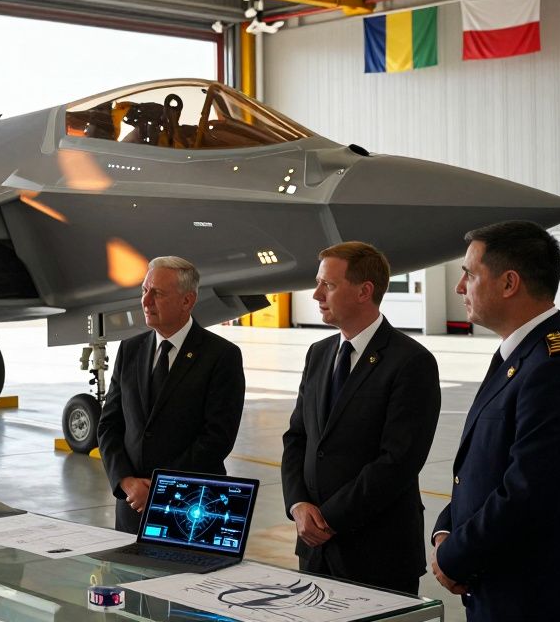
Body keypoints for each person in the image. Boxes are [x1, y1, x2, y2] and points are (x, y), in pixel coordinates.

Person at [431, 221, 560, 621]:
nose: (459, 288)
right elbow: (484, 469)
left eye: (469, 274)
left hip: (542, 601)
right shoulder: (519, 357)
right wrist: (448, 529)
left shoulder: (555, 368)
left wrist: (455, 555)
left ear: (509, 283)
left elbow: (527, 494)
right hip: (501, 591)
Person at [281, 242, 440, 594]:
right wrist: (298, 505)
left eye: (329, 285)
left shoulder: (411, 362)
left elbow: (399, 460)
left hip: (377, 553)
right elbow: (298, 438)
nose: (317, 295)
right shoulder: (319, 354)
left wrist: (328, 519)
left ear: (364, 291)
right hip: (314, 549)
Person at [97, 256, 246, 533]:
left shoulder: (221, 356)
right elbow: (109, 425)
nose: (146, 301)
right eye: (144, 291)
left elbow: (217, 438)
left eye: (158, 294)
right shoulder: (130, 350)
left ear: (187, 301)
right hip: (132, 506)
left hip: (190, 509)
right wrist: (126, 481)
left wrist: (161, 487)